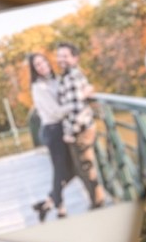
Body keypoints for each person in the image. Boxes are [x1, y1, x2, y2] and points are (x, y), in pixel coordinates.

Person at [55, 42, 106, 210]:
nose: (61, 59)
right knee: (83, 166)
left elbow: (77, 107)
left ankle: (98, 202)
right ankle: (96, 199)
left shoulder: (73, 76)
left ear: (75, 58)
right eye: (59, 55)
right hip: (78, 128)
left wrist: (70, 131)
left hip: (80, 129)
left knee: (85, 166)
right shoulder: (69, 75)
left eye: (65, 56)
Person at [29, 53, 75, 222]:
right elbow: (55, 112)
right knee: (60, 171)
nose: (41, 66)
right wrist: (78, 103)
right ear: (34, 70)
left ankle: (47, 203)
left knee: (72, 170)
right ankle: (61, 209)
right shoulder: (38, 87)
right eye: (37, 65)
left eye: (43, 62)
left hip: (63, 128)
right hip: (53, 131)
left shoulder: (55, 80)